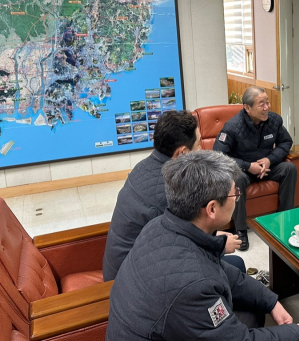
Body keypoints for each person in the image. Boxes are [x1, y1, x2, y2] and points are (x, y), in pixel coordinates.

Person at [105, 151, 299, 341]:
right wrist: (294, 334)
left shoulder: (160, 226)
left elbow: (217, 269)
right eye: (234, 193)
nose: (237, 197)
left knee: (252, 308)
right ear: (211, 208)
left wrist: (271, 302)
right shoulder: (192, 285)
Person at [103, 110, 243, 281]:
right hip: (133, 278)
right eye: (198, 144)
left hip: (122, 264)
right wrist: (220, 246)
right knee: (236, 265)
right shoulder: (170, 192)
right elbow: (181, 246)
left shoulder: (145, 165)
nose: (201, 149)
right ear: (182, 153)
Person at [213, 86, 297, 250]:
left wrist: (269, 160)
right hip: (244, 170)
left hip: (267, 167)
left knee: (289, 168)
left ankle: (284, 218)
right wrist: (248, 166)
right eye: (261, 104)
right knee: (236, 179)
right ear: (247, 108)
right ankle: (241, 230)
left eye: (267, 102)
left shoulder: (274, 120)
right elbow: (218, 155)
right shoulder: (232, 127)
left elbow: (286, 142)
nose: (267, 107)